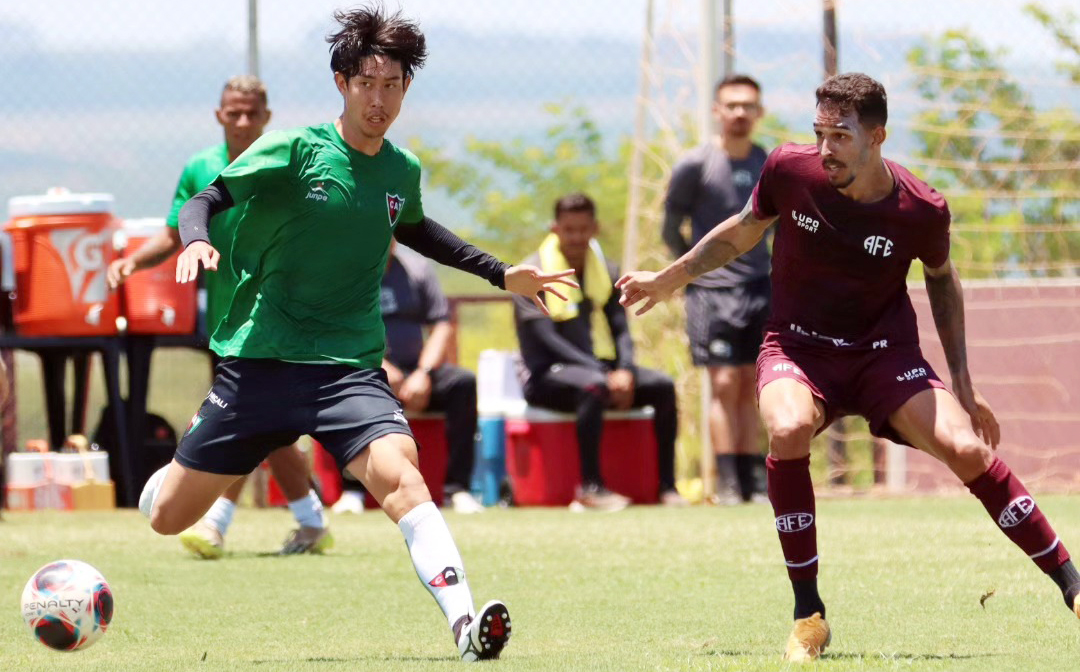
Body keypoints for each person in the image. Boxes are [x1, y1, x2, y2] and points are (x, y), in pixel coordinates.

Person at [139, 6, 577, 660]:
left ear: (406, 89)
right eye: (367, 83)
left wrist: (499, 273)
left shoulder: (401, 171)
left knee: (404, 477)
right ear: (342, 83)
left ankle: (464, 623)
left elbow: (418, 230)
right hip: (259, 363)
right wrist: (197, 243)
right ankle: (169, 473)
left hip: (346, 368)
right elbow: (204, 201)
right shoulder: (294, 149)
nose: (380, 99)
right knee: (167, 516)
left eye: (394, 85)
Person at [617, 73, 1080, 661]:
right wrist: (668, 278)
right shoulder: (790, 169)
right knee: (785, 429)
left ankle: (1073, 586)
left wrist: (964, 384)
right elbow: (740, 233)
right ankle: (808, 611)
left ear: (877, 137)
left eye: (839, 136)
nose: (825, 148)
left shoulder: (921, 208)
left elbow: (942, 280)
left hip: (884, 357)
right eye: (819, 133)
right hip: (798, 348)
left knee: (968, 451)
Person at [107, 76, 330, 559]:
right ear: (220, 115)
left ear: (267, 117)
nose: (244, 121)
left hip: (278, 320)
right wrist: (133, 262)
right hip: (228, 327)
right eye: (235, 112)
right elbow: (175, 233)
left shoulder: (285, 162)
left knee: (243, 419)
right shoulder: (201, 168)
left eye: (253, 113)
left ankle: (214, 525)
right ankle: (313, 523)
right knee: (266, 425)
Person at [513, 193, 687, 511]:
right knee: (594, 387)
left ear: (594, 228)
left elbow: (620, 327)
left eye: (583, 229)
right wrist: (606, 375)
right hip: (543, 375)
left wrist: (626, 370)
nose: (577, 237)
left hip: (591, 369)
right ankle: (591, 487)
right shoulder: (531, 274)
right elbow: (546, 339)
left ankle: (667, 486)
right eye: (569, 230)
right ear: (555, 229)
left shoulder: (603, 269)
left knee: (661, 386)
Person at [662, 74, 770, 505]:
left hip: (761, 288)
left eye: (748, 106)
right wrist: (691, 271)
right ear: (717, 111)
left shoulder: (768, 162)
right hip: (712, 292)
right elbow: (672, 226)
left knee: (754, 383)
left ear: (759, 112)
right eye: (732, 105)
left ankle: (754, 479)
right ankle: (726, 481)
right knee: (724, 383)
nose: (740, 113)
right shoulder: (695, 164)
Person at [333, 241, 485, 515]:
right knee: (347, 388)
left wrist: (423, 373)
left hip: (417, 373)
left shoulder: (417, 269)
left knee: (462, 383)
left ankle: (458, 489)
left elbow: (441, 323)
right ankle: (352, 490)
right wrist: (381, 366)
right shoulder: (346, 272)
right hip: (367, 367)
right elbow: (341, 327)